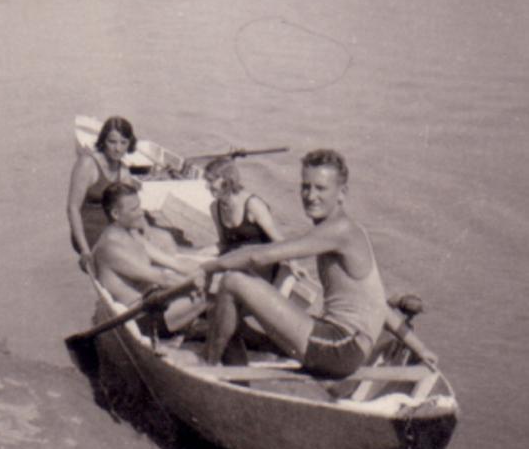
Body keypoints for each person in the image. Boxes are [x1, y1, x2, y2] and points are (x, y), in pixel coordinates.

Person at [202, 149, 438, 376]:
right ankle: (237, 379)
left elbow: (258, 256)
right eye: (306, 187)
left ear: (342, 193)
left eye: (320, 188)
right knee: (233, 321)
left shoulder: (340, 230)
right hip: (344, 347)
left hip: (340, 348)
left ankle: (207, 367)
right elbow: (378, 304)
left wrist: (204, 269)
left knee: (233, 281)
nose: (310, 196)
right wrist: (420, 348)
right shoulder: (349, 230)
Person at [92, 182, 208, 335]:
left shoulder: (131, 235)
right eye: (134, 209)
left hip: (155, 302)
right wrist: (203, 284)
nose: (141, 213)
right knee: (214, 294)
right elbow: (163, 278)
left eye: (139, 206)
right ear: (115, 214)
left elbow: (172, 262)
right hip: (141, 319)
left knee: (220, 284)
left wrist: (209, 270)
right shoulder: (110, 247)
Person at [67, 116, 139, 271]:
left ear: (129, 144)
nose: (118, 148)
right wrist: (85, 251)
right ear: (103, 141)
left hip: (112, 227)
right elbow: (72, 208)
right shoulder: (87, 164)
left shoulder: (124, 172)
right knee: (122, 256)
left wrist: (139, 234)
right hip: (87, 229)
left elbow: (130, 209)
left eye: (123, 143)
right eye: (112, 142)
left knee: (146, 244)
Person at [204, 156, 283, 254]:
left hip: (259, 259)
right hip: (232, 258)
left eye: (211, 181)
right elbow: (224, 244)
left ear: (226, 180)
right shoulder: (215, 208)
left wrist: (292, 262)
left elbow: (278, 240)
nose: (206, 186)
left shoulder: (252, 205)